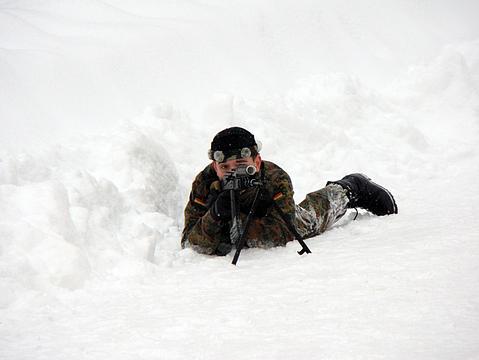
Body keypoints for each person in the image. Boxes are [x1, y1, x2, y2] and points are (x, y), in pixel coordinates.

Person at [181, 127, 398, 256]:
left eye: (241, 166)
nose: (233, 174)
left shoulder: (275, 178)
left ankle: (350, 188)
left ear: (257, 162)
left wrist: (242, 226)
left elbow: (282, 233)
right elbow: (189, 241)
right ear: (214, 167)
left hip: (276, 216)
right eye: (225, 168)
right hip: (240, 219)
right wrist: (216, 215)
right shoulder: (205, 182)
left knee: (312, 217)